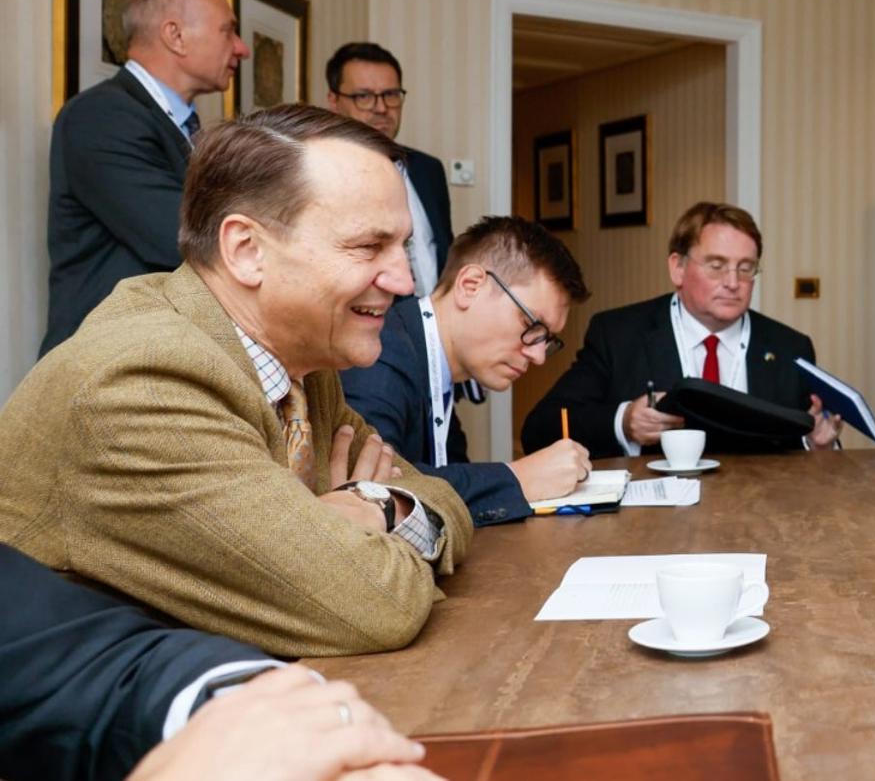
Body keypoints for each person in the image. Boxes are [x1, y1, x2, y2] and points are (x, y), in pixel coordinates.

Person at [0, 105, 473, 657]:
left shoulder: (302, 366)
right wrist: (364, 533)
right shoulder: (141, 382)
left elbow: (446, 503)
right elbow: (375, 604)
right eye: (369, 247)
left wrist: (372, 503)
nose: (405, 279)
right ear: (247, 251)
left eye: (403, 247)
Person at [0, 545, 437, 781]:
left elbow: (100, 664)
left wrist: (264, 718)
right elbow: (376, 599)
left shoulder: (321, 402)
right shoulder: (148, 385)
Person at [522, 201, 842, 459]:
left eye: (746, 268)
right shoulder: (619, 335)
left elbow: (802, 447)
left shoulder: (789, 348)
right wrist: (624, 421)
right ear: (678, 267)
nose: (733, 282)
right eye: (716, 266)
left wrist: (816, 445)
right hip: (653, 522)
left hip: (760, 516)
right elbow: (541, 429)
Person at [43, 0, 250, 354]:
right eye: (228, 31)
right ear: (176, 36)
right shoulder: (102, 115)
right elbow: (182, 237)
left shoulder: (184, 125)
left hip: (161, 353)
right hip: (105, 366)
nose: (242, 48)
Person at [341, 216, 593, 526]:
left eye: (547, 340)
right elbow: (378, 492)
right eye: (531, 326)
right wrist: (519, 477)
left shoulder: (439, 374)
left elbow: (443, 479)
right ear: (470, 286)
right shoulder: (383, 354)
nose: (539, 356)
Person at [325, 42, 452, 297]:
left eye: (391, 94)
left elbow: (443, 250)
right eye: (364, 96)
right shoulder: (324, 175)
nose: (381, 108)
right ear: (335, 101)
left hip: (435, 326)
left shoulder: (429, 170)